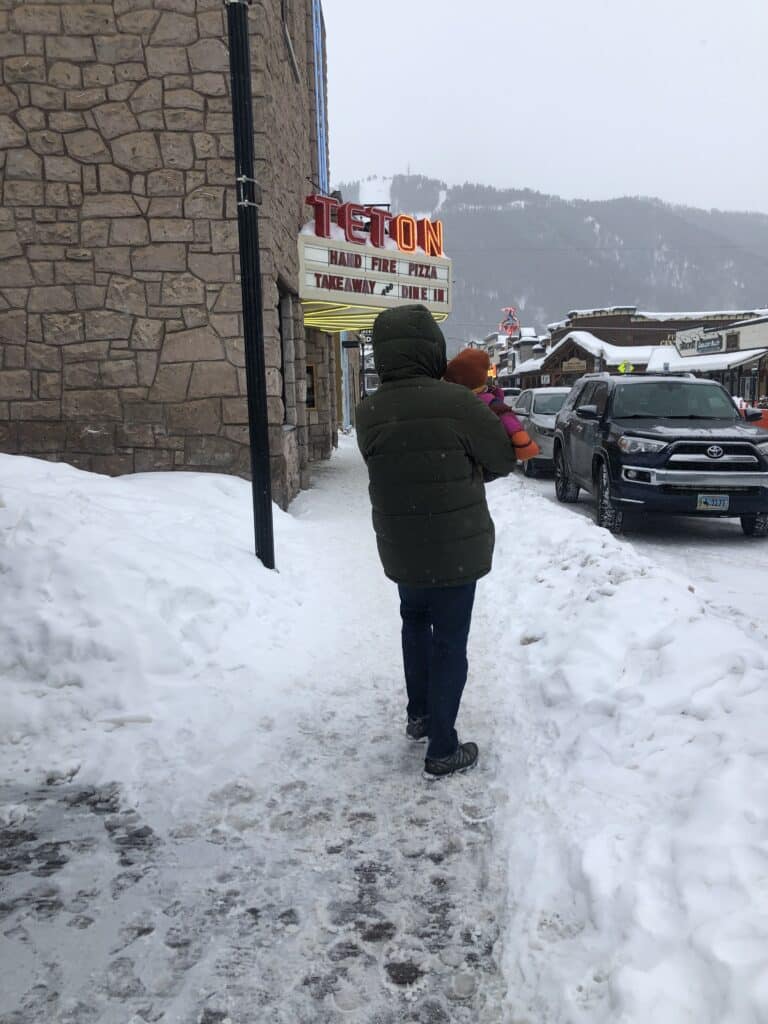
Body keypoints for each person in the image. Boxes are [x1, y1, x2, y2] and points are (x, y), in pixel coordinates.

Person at [356, 305, 518, 778]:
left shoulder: (368, 411)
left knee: (414, 624)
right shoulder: (457, 403)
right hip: (454, 545)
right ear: (432, 347)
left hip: (402, 542)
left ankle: (420, 714)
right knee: (449, 639)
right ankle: (442, 747)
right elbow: (503, 458)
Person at [444, 349, 540, 461]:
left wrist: (522, 441)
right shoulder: (485, 401)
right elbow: (506, 416)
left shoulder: (486, 401)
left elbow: (507, 417)